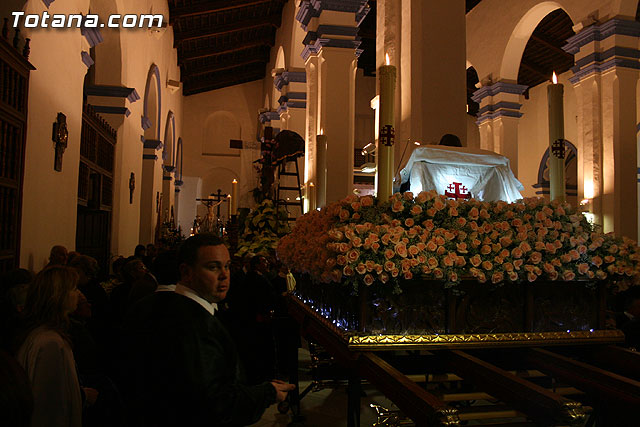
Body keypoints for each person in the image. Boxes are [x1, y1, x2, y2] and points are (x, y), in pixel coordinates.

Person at [121, 234, 294, 426]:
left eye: (227, 266)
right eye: (213, 267)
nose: (224, 275)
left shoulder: (157, 305)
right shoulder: (195, 325)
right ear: (186, 272)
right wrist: (267, 392)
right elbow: (215, 404)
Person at [14, 265, 91, 427]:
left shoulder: (44, 334)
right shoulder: (50, 343)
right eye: (73, 288)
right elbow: (47, 406)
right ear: (59, 296)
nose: (78, 294)